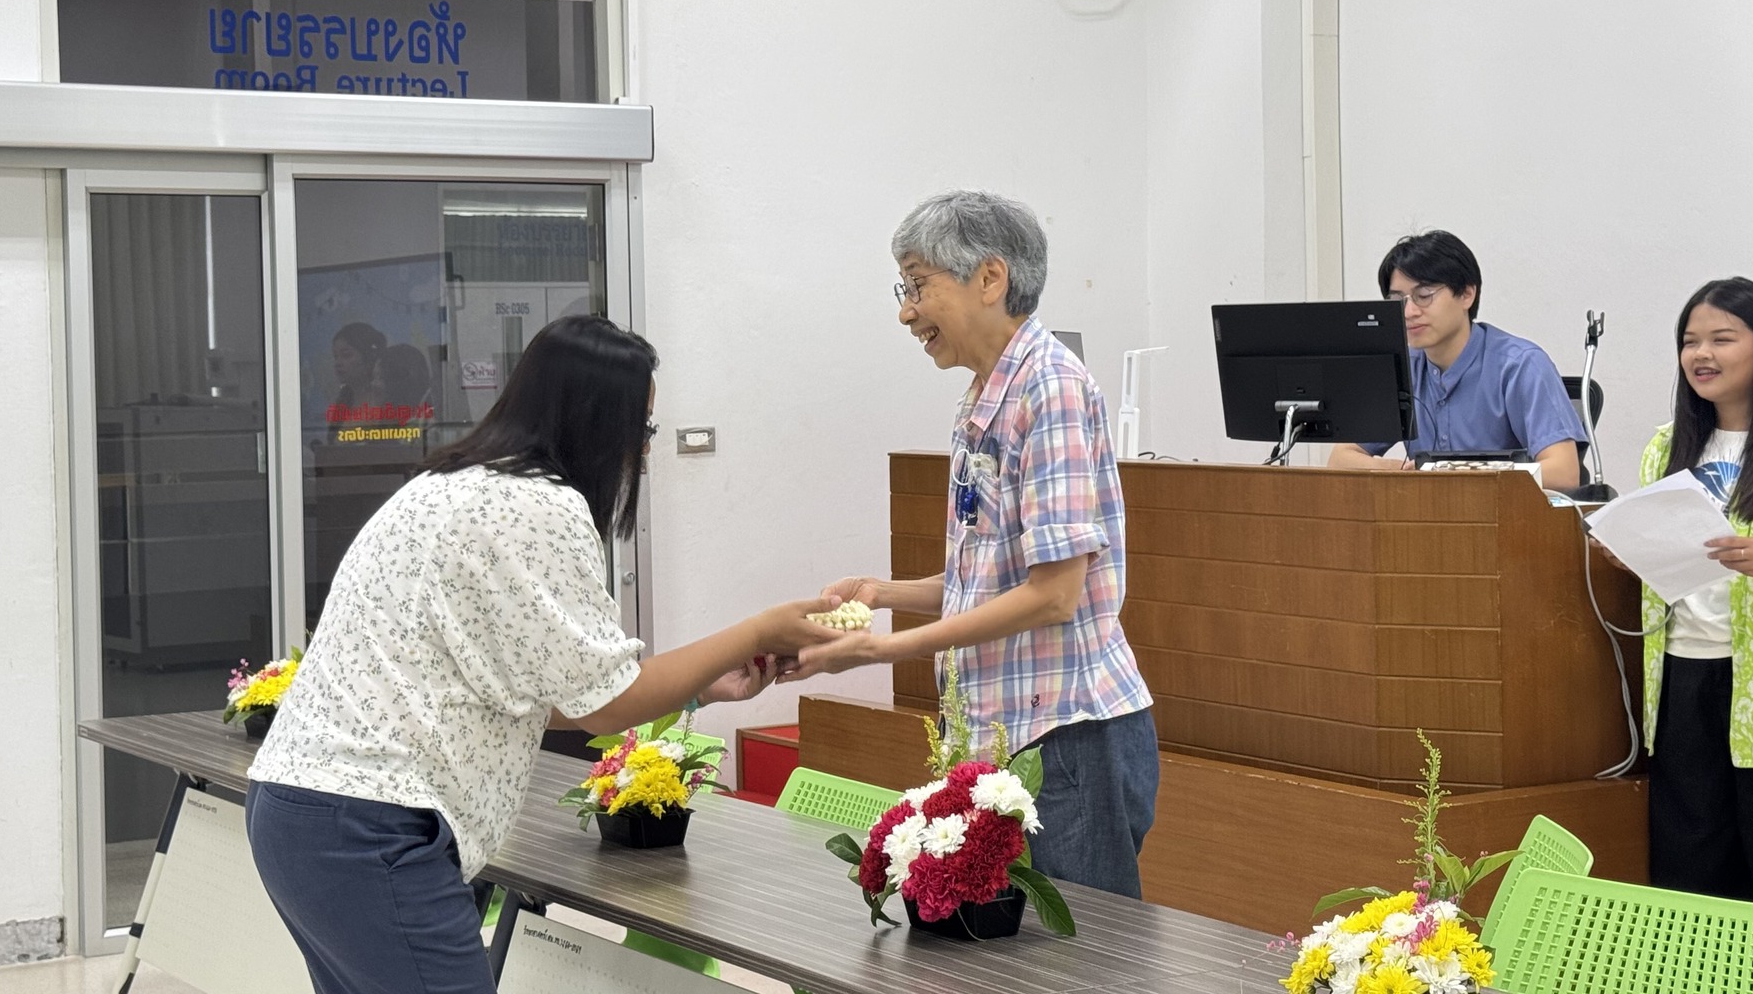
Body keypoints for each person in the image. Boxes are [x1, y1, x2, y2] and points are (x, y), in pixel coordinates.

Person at [246, 315, 840, 994]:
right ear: (598, 421)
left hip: (303, 811)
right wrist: (759, 631)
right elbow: (607, 704)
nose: (645, 453)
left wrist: (702, 687)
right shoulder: (537, 507)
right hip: (370, 826)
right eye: (642, 429)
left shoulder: (452, 484)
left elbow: (535, 694)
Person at [783, 190, 1159, 898]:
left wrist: (885, 649)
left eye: (917, 285)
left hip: (1066, 737)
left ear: (989, 278)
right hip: (999, 731)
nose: (905, 312)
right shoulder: (984, 395)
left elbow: (1054, 596)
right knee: (1003, 945)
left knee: (1083, 951)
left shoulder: (1050, 388)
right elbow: (988, 575)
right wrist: (883, 593)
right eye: (902, 289)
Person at [1626, 277, 1753, 901]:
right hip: (1682, 671)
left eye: (1722, 338)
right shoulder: (1667, 444)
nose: (1701, 354)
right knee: (1689, 860)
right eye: (1690, 341)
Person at [1327, 230, 1588, 491]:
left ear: (1466, 294)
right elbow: (1340, 459)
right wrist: (1399, 472)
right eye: (1397, 301)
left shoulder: (1520, 365)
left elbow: (1563, 474)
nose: (1408, 312)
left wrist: (1461, 474)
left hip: (1505, 511)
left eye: (1424, 295)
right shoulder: (1402, 368)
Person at [327, 321, 387, 427]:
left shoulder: (383, 401)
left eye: (346, 355)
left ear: (368, 357)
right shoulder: (342, 402)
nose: (337, 363)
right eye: (336, 356)